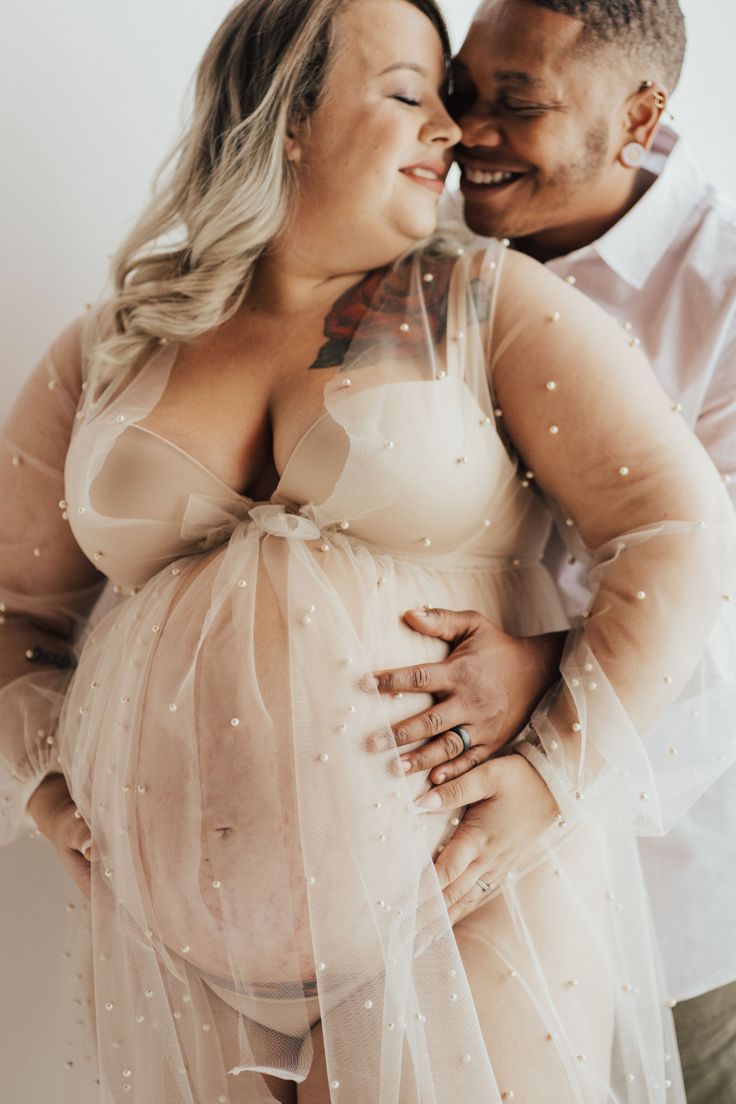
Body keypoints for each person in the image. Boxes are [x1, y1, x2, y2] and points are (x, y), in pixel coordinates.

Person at [0, 1, 733, 1102]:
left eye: (486, 100)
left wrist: (552, 767)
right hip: (172, 946)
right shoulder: (117, 337)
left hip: (470, 902)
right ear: (288, 116)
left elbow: (676, 534)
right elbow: (14, 605)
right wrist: (48, 785)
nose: (454, 130)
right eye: (418, 93)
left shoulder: (481, 298)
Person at [377, 2, 736, 1102]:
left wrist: (547, 670)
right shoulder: (405, 261)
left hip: (671, 897)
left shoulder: (721, 294)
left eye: (516, 104)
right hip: (426, 894)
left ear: (638, 116)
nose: (466, 132)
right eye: (462, 92)